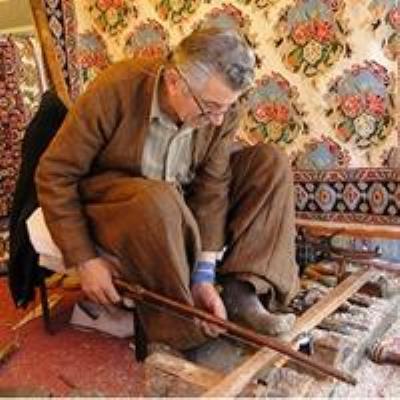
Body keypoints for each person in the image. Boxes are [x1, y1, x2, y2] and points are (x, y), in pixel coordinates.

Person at [35, 27, 300, 350]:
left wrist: (204, 276)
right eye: (210, 107)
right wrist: (85, 260)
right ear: (174, 81)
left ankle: (241, 293)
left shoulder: (221, 112)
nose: (218, 120)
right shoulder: (116, 89)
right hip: (120, 205)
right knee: (158, 198)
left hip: (177, 201)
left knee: (270, 162)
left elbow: (212, 187)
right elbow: (55, 173)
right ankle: (178, 329)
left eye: (226, 108)